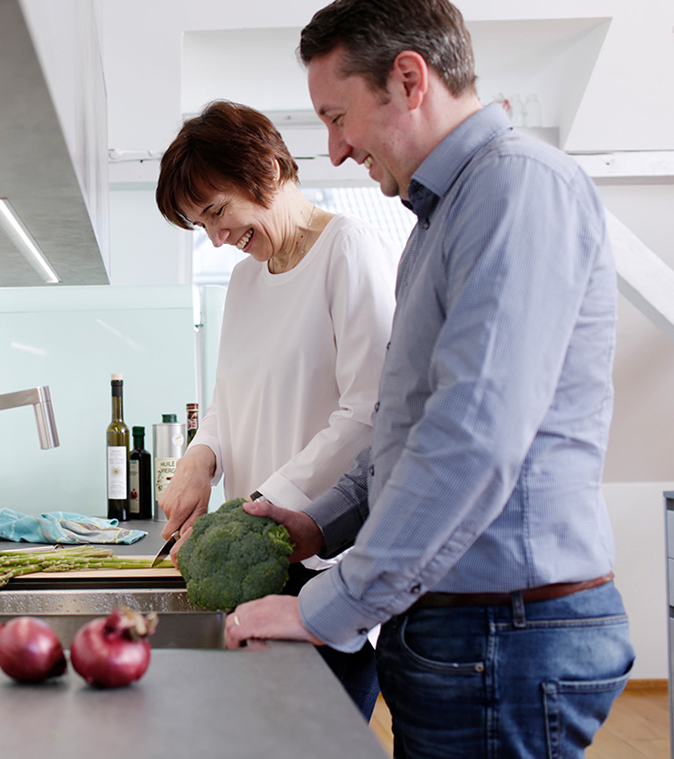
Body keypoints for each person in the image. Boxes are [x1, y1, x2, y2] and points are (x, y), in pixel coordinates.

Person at [224, 1, 634, 756]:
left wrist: (327, 605)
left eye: (338, 117)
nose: (336, 151)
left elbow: (470, 438)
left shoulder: (515, 188)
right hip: (467, 626)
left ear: (409, 80)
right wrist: (321, 521)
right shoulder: (436, 224)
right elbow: (403, 430)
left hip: (504, 628)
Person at [155, 99, 398, 720]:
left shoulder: (348, 249)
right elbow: (228, 399)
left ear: (268, 170)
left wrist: (255, 509)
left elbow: (370, 415)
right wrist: (199, 458)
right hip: (258, 559)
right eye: (201, 226)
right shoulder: (245, 280)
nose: (217, 238)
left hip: (322, 563)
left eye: (217, 212)